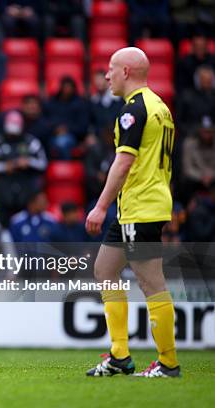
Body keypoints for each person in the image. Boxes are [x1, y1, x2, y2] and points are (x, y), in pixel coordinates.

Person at [85, 47, 180, 377]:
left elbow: (123, 162)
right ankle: (120, 356)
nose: (107, 76)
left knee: (151, 282)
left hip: (141, 207)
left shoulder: (134, 109)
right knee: (104, 269)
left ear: (126, 71)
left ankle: (168, 363)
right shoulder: (160, 107)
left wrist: (99, 207)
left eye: (111, 69)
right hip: (140, 207)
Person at [0, 110, 47, 228]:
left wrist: (29, 162)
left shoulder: (31, 142)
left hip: (25, 192)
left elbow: (43, 164)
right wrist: (4, 167)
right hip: (2, 193)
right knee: (2, 227)